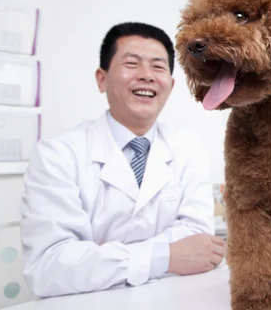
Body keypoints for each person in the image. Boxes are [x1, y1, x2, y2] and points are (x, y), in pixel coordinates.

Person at [20, 22, 225, 298]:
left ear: (171, 84)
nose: (147, 76)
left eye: (158, 66)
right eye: (132, 63)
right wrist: (163, 257)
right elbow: (50, 266)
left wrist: (97, 261)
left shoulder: (187, 146)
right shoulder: (57, 154)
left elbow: (199, 241)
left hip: (173, 296)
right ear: (101, 79)